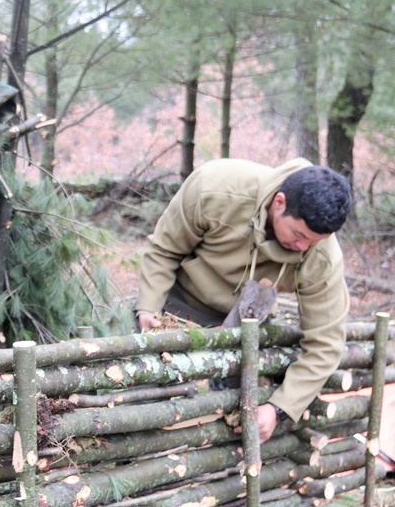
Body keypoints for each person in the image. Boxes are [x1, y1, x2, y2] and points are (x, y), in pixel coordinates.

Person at [135, 158, 352, 443]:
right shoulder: (216, 188)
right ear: (279, 202)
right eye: (299, 234)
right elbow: (164, 249)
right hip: (177, 306)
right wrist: (148, 307)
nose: (303, 247)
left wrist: (279, 408)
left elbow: (326, 343)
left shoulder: (322, 257)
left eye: (313, 241)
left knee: (226, 425)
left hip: (246, 326)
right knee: (146, 408)